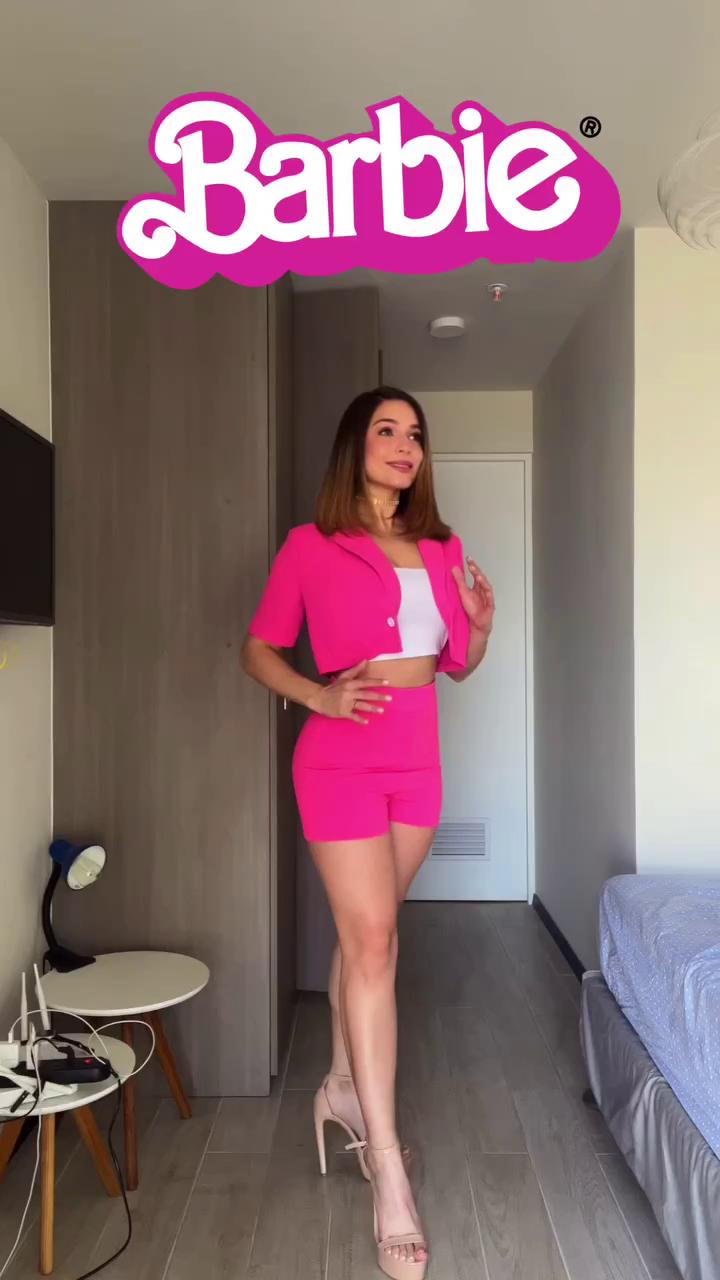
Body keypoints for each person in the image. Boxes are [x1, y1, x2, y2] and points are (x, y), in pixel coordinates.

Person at [241, 385, 495, 1278]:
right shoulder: (310, 546)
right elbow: (260, 648)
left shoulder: (442, 546)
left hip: (417, 762)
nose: (404, 444)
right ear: (356, 445)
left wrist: (481, 627)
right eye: (387, 430)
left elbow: (455, 665)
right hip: (340, 762)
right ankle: (387, 1169)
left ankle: (342, 1086)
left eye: (415, 434)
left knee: (369, 934)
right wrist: (318, 695)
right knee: (376, 941)